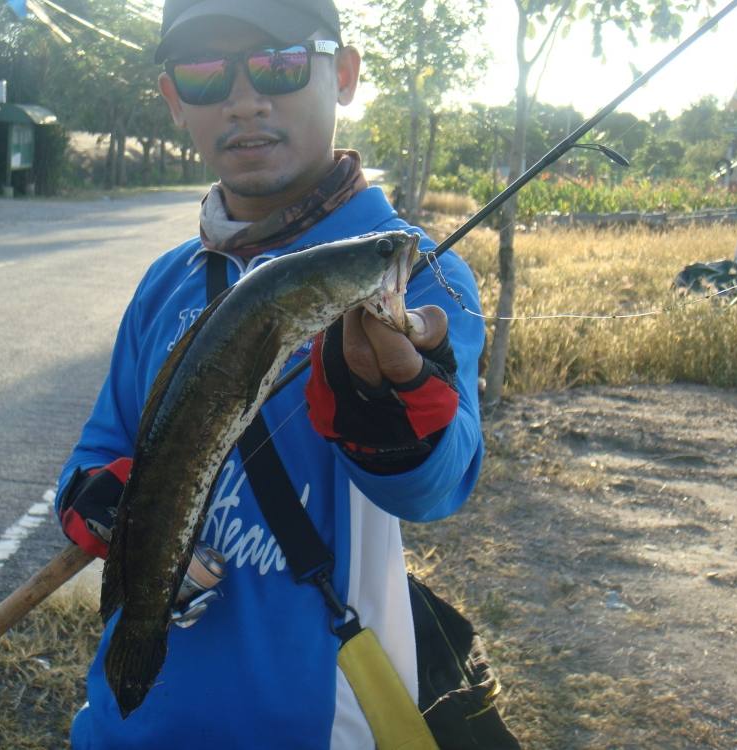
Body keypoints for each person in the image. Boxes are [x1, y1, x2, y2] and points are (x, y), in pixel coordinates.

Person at [54, 1, 486, 747]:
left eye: (280, 62)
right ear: (172, 100)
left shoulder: (421, 276)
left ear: (344, 75)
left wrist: (392, 418)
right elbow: (95, 453)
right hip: (125, 730)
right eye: (204, 73)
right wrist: (103, 507)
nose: (245, 98)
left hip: (314, 727)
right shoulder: (167, 283)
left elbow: (437, 488)